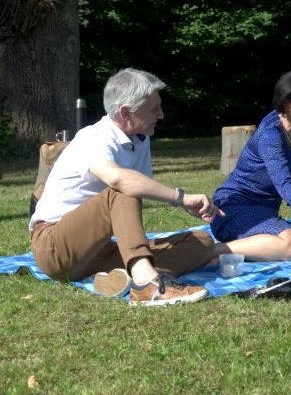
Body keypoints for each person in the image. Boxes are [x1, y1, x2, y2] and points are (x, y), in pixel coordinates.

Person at [28, 68, 223, 305]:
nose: (160, 115)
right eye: (154, 109)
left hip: (99, 252)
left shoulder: (140, 139)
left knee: (201, 241)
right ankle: (147, 285)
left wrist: (181, 204)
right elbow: (120, 181)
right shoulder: (93, 138)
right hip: (54, 247)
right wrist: (180, 198)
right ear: (125, 112)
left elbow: (139, 187)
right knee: (122, 188)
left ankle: (123, 278)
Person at [211, 70, 291, 261]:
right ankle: (211, 252)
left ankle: (249, 250)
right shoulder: (270, 134)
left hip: (266, 214)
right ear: (285, 104)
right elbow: (286, 187)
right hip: (232, 208)